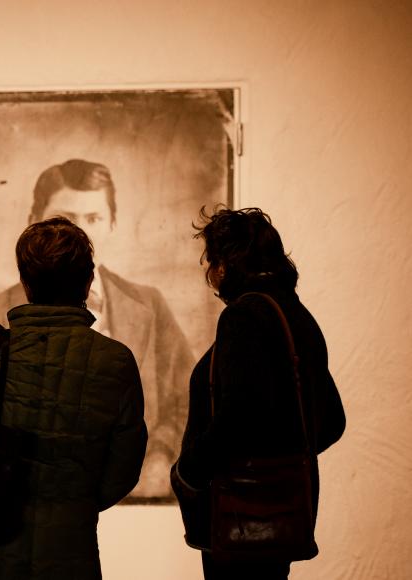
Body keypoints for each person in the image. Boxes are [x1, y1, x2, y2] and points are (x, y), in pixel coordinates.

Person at [0, 217, 147, 579]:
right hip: (65, 552)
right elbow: (122, 469)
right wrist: (71, 505)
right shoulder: (114, 360)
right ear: (89, 281)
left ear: (25, 282)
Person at [0, 158, 192, 498]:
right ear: (34, 223)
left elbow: (184, 397)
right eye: (65, 220)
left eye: (94, 218)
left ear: (112, 223)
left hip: (137, 497)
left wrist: (160, 454)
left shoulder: (150, 304)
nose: (79, 234)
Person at [171, 207, 346, 580]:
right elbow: (332, 421)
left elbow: (238, 414)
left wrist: (188, 473)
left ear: (225, 265)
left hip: (241, 512)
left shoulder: (244, 316)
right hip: (281, 510)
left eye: (211, 261)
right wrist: (283, 461)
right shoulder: (297, 316)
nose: (210, 273)